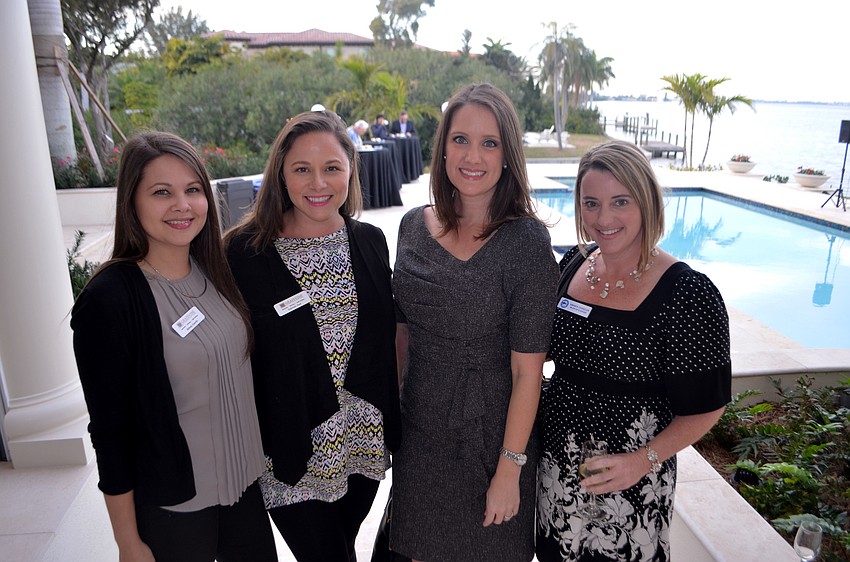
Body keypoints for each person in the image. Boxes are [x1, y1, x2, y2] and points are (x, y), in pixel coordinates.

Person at [71, 131, 277, 562]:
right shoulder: (111, 299)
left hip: (244, 495)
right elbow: (110, 435)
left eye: (193, 190)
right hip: (175, 509)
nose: (182, 205)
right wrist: (128, 542)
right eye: (162, 192)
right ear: (132, 202)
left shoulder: (218, 271)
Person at [536, 140, 732, 562]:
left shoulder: (687, 293)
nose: (603, 219)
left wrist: (643, 461)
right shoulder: (574, 261)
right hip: (556, 471)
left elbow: (708, 406)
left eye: (619, 202)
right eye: (591, 203)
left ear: (646, 202)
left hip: (629, 487)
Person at [390, 83, 559, 561]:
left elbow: (529, 372)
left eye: (490, 143)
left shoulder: (525, 243)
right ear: (442, 146)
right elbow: (400, 334)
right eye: (461, 139)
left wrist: (509, 471)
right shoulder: (410, 227)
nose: (473, 155)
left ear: (508, 155)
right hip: (420, 435)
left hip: (492, 440)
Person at [225, 110, 401, 562]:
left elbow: (386, 337)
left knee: (343, 546)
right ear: (281, 173)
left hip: (362, 440)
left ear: (350, 170)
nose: (318, 183)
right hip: (290, 449)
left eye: (331, 168)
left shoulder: (370, 240)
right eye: (302, 169)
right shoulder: (244, 251)